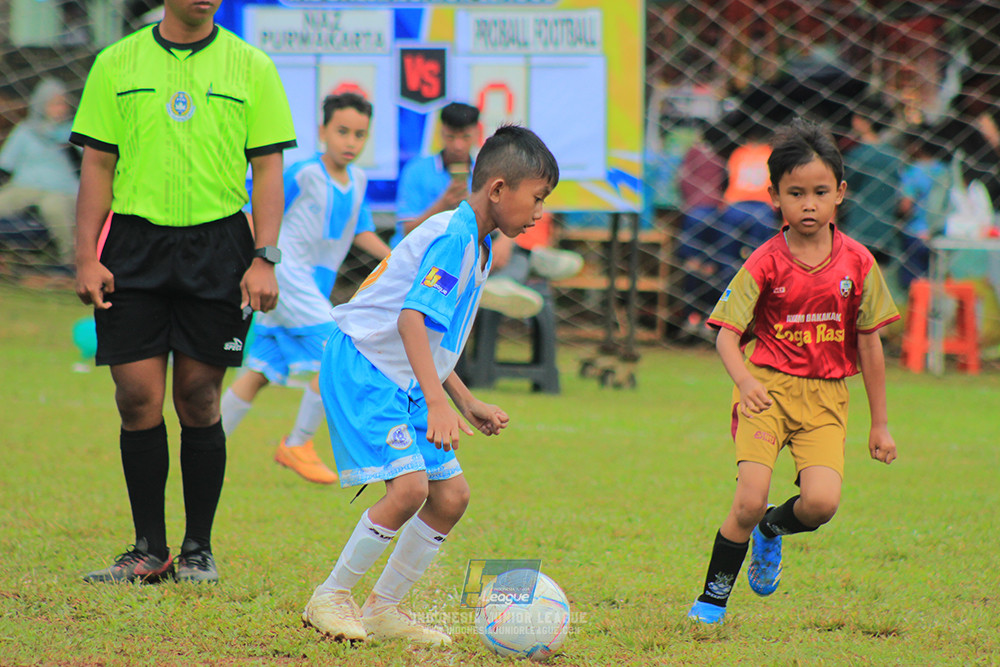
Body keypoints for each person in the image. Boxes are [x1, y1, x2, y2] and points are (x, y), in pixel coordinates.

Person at [301, 125, 558, 644]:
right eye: (536, 199)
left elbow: (433, 341)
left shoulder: (478, 244)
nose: (537, 214)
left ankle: (382, 609)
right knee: (411, 489)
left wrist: (464, 402)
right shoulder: (456, 238)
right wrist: (439, 401)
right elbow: (411, 321)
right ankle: (330, 596)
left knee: (451, 497)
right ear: (498, 189)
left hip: (407, 376)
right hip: (367, 367)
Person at [71, 0, 296, 584]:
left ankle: (198, 549)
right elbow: (97, 163)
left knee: (199, 397)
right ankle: (149, 548)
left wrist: (263, 257)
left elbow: (268, 168)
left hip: (218, 245)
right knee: (136, 396)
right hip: (134, 246)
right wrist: (85, 255)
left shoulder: (253, 67)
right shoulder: (116, 63)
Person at [687, 119, 900, 625]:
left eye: (820, 192)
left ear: (840, 194)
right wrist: (745, 382)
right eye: (796, 193)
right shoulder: (763, 262)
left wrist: (880, 423)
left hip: (826, 399)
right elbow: (725, 335)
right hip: (767, 393)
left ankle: (772, 531)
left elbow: (869, 344)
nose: (809, 204)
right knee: (748, 498)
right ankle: (712, 599)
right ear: (774, 197)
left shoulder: (859, 264)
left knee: (822, 504)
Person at [220, 92, 390, 484]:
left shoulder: (359, 180)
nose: (351, 141)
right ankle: (297, 443)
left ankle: (209, 447)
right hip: (286, 276)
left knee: (260, 370)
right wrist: (250, 262)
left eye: (360, 134)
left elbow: (361, 229)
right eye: (342, 131)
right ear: (322, 131)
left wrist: (398, 260)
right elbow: (253, 209)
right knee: (340, 352)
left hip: (308, 289)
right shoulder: (303, 173)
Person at [395, 101, 580, 319]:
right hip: (434, 255)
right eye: (451, 137)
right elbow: (411, 318)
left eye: (464, 137)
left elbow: (503, 215)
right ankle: (526, 262)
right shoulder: (417, 171)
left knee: (501, 243)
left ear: (476, 133)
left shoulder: (487, 168)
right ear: (441, 133)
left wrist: (505, 242)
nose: (457, 146)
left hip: (472, 248)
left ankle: (518, 265)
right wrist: (444, 202)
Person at [0, 78, 79, 270]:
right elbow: (5, 165)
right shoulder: (26, 130)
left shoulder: (74, 131)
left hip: (61, 190)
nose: (60, 109)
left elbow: (85, 165)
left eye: (63, 104)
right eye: (54, 104)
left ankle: (70, 261)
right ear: (41, 104)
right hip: (24, 186)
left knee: (55, 209)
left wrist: (70, 150)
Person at [841, 94, 904, 265]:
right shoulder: (895, 157)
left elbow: (845, 190)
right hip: (885, 230)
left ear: (863, 121)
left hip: (858, 227)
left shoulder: (856, 156)